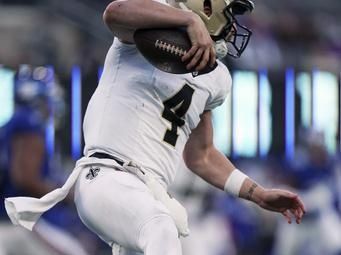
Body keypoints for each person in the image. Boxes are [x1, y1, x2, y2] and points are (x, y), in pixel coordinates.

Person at [4, 1, 306, 255]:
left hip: (151, 194)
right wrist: (186, 20)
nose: (233, 25)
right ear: (207, 7)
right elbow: (114, 13)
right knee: (159, 227)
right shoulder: (153, 22)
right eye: (230, 14)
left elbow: (201, 155)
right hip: (107, 176)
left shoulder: (218, 78)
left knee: (162, 226)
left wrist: (257, 193)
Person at [0, 66, 89, 255]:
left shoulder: (12, 124)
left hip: (13, 218)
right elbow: (24, 178)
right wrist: (64, 194)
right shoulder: (28, 124)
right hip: (23, 219)